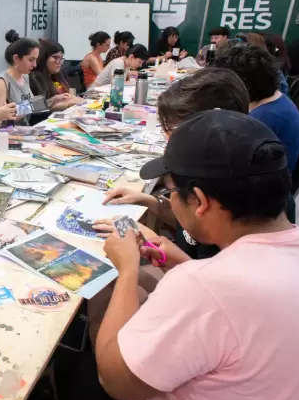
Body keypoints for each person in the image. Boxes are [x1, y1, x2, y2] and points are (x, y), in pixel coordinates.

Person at [95, 109, 299, 400]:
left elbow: (115, 381)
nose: (170, 201)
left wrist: (127, 267)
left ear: (200, 201)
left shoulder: (203, 288)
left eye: (171, 191)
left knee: (102, 295)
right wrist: (187, 264)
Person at [93, 67, 250, 260]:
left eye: (171, 192)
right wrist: (147, 200)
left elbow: (199, 279)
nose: (168, 138)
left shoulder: (225, 197)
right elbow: (190, 229)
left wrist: (146, 241)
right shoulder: (220, 168)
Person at [214, 43, 299, 172]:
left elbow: (227, 159)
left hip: (262, 184)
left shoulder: (262, 118)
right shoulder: (275, 99)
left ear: (243, 83)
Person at [0, 30, 39, 126]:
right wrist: (30, 107)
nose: (35, 65)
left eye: (35, 60)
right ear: (16, 58)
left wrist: (52, 101)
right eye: (31, 60)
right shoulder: (2, 83)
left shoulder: (25, 76)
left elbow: (34, 104)